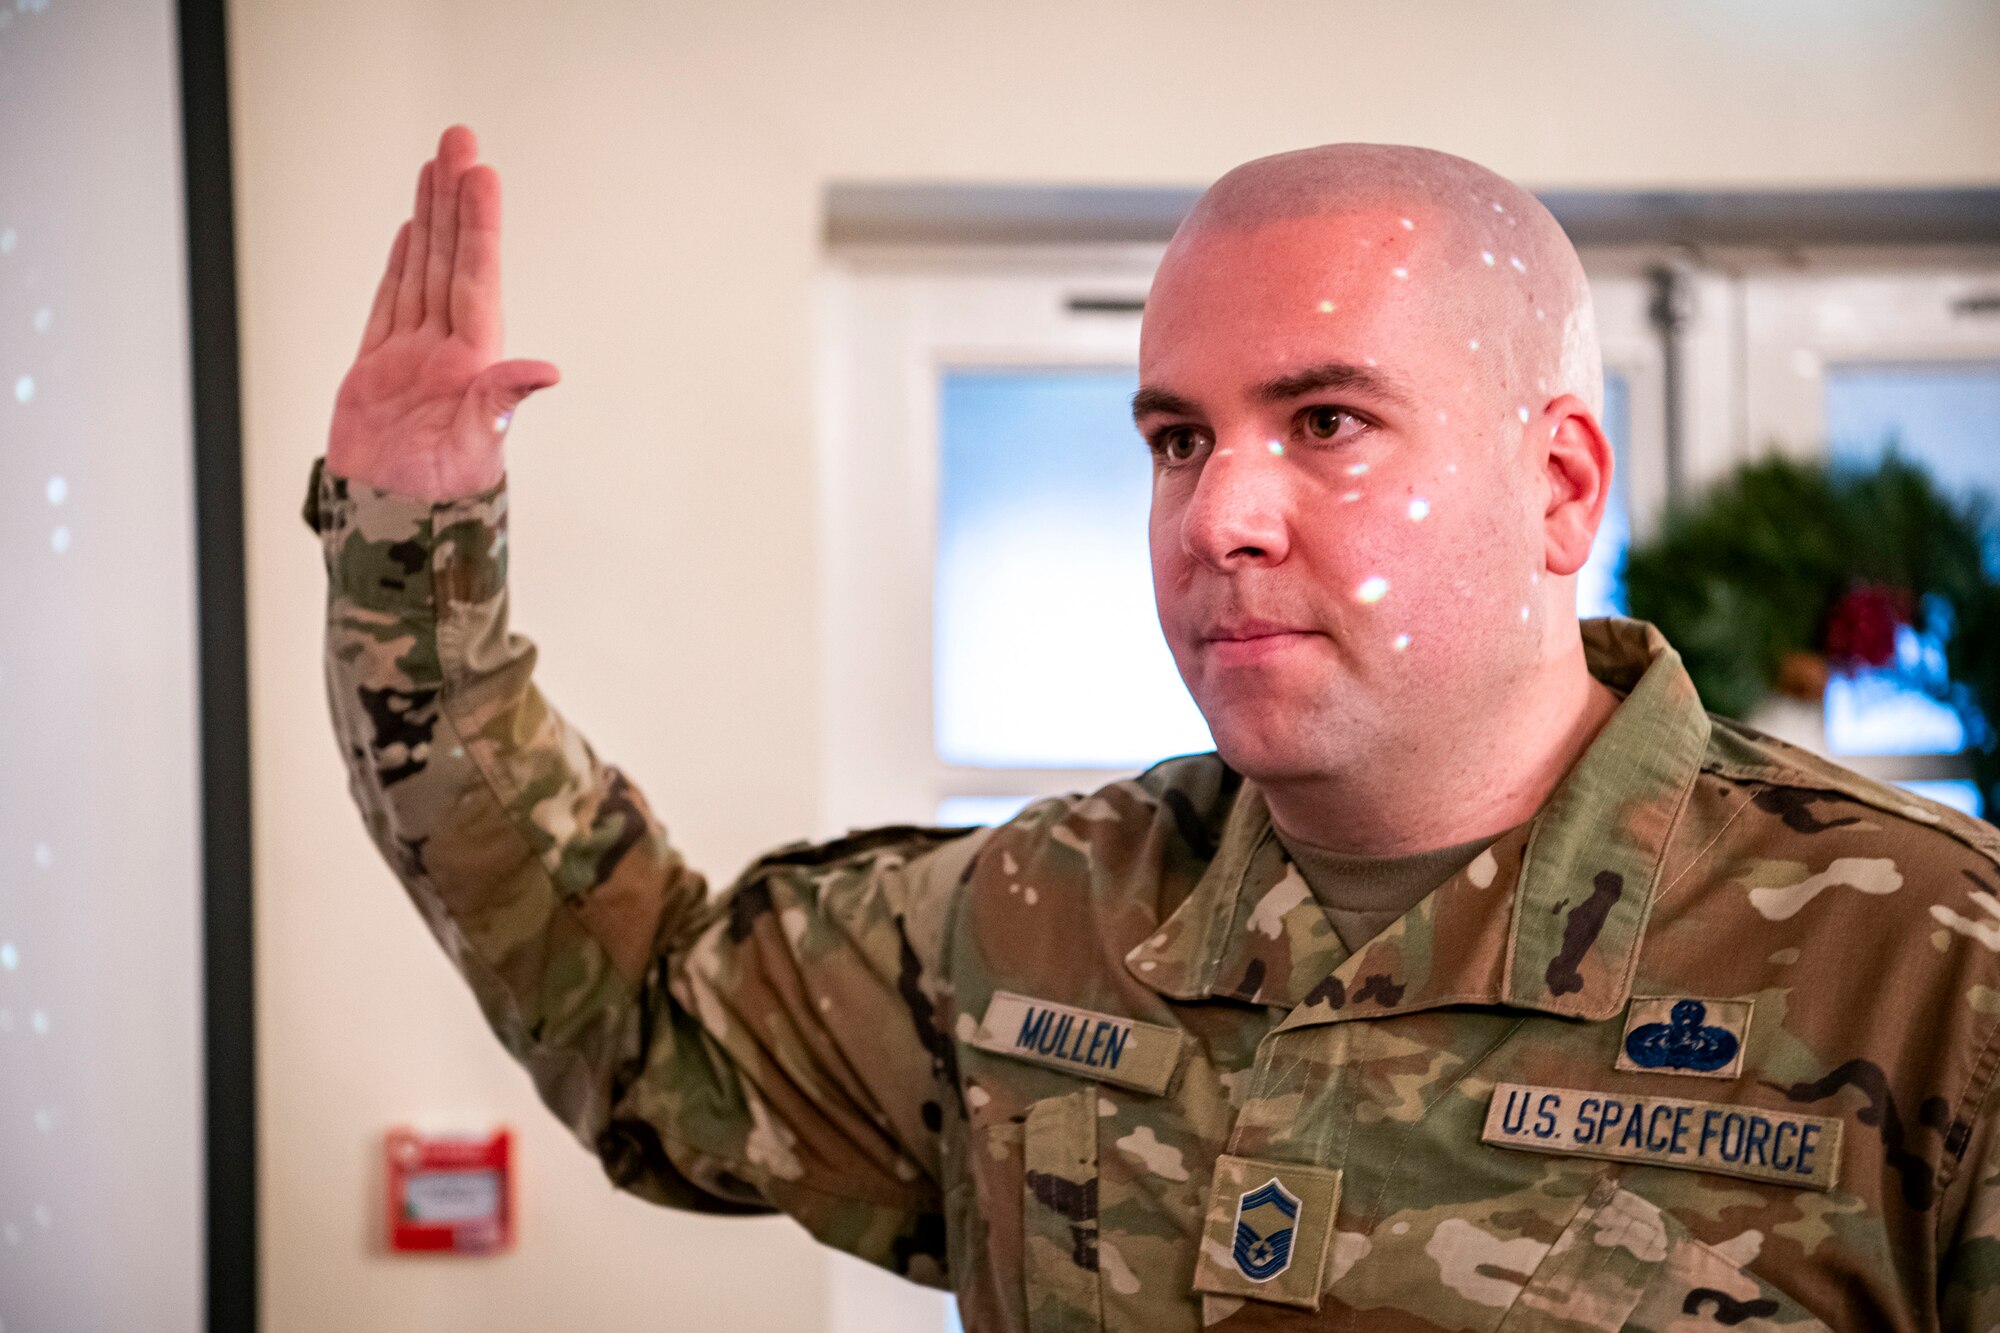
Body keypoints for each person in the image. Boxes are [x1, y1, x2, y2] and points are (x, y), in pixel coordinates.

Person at [304, 124, 2000, 1330]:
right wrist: (411, 551)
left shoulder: (1934, 975)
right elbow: (646, 1015)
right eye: (1178, 440)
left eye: (1325, 419)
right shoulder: (1044, 917)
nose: (1219, 518)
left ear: (1556, 486)